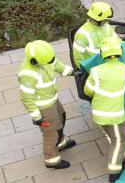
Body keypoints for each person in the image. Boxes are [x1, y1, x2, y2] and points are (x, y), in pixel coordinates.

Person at [84, 36, 125, 182]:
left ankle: (123, 155)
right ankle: (114, 172)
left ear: (102, 53)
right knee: (119, 140)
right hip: (115, 116)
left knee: (112, 137)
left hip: (98, 115)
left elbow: (87, 91)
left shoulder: (95, 71)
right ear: (119, 52)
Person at [18, 40, 77, 170]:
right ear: (34, 61)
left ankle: (60, 143)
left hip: (52, 99)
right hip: (43, 106)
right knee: (51, 132)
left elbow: (57, 65)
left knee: (62, 118)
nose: (51, 62)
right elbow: (26, 98)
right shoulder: (27, 74)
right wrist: (36, 116)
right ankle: (51, 159)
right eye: (48, 61)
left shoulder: (45, 57)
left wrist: (73, 72)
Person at [72, 2, 119, 68]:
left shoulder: (106, 27)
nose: (107, 21)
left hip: (109, 64)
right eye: (105, 19)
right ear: (99, 19)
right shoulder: (82, 34)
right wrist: (85, 72)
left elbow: (117, 42)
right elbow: (78, 58)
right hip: (93, 68)